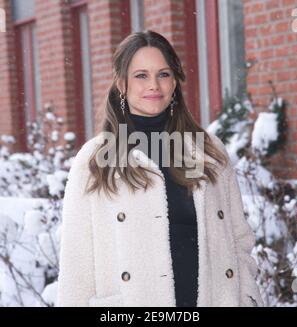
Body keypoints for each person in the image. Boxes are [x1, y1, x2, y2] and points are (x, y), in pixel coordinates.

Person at [56, 30, 264, 307]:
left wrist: (246, 297)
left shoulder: (207, 151)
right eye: (141, 75)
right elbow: (76, 262)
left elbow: (239, 239)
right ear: (121, 84)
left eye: (163, 74)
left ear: (175, 82)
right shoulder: (96, 159)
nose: (154, 85)